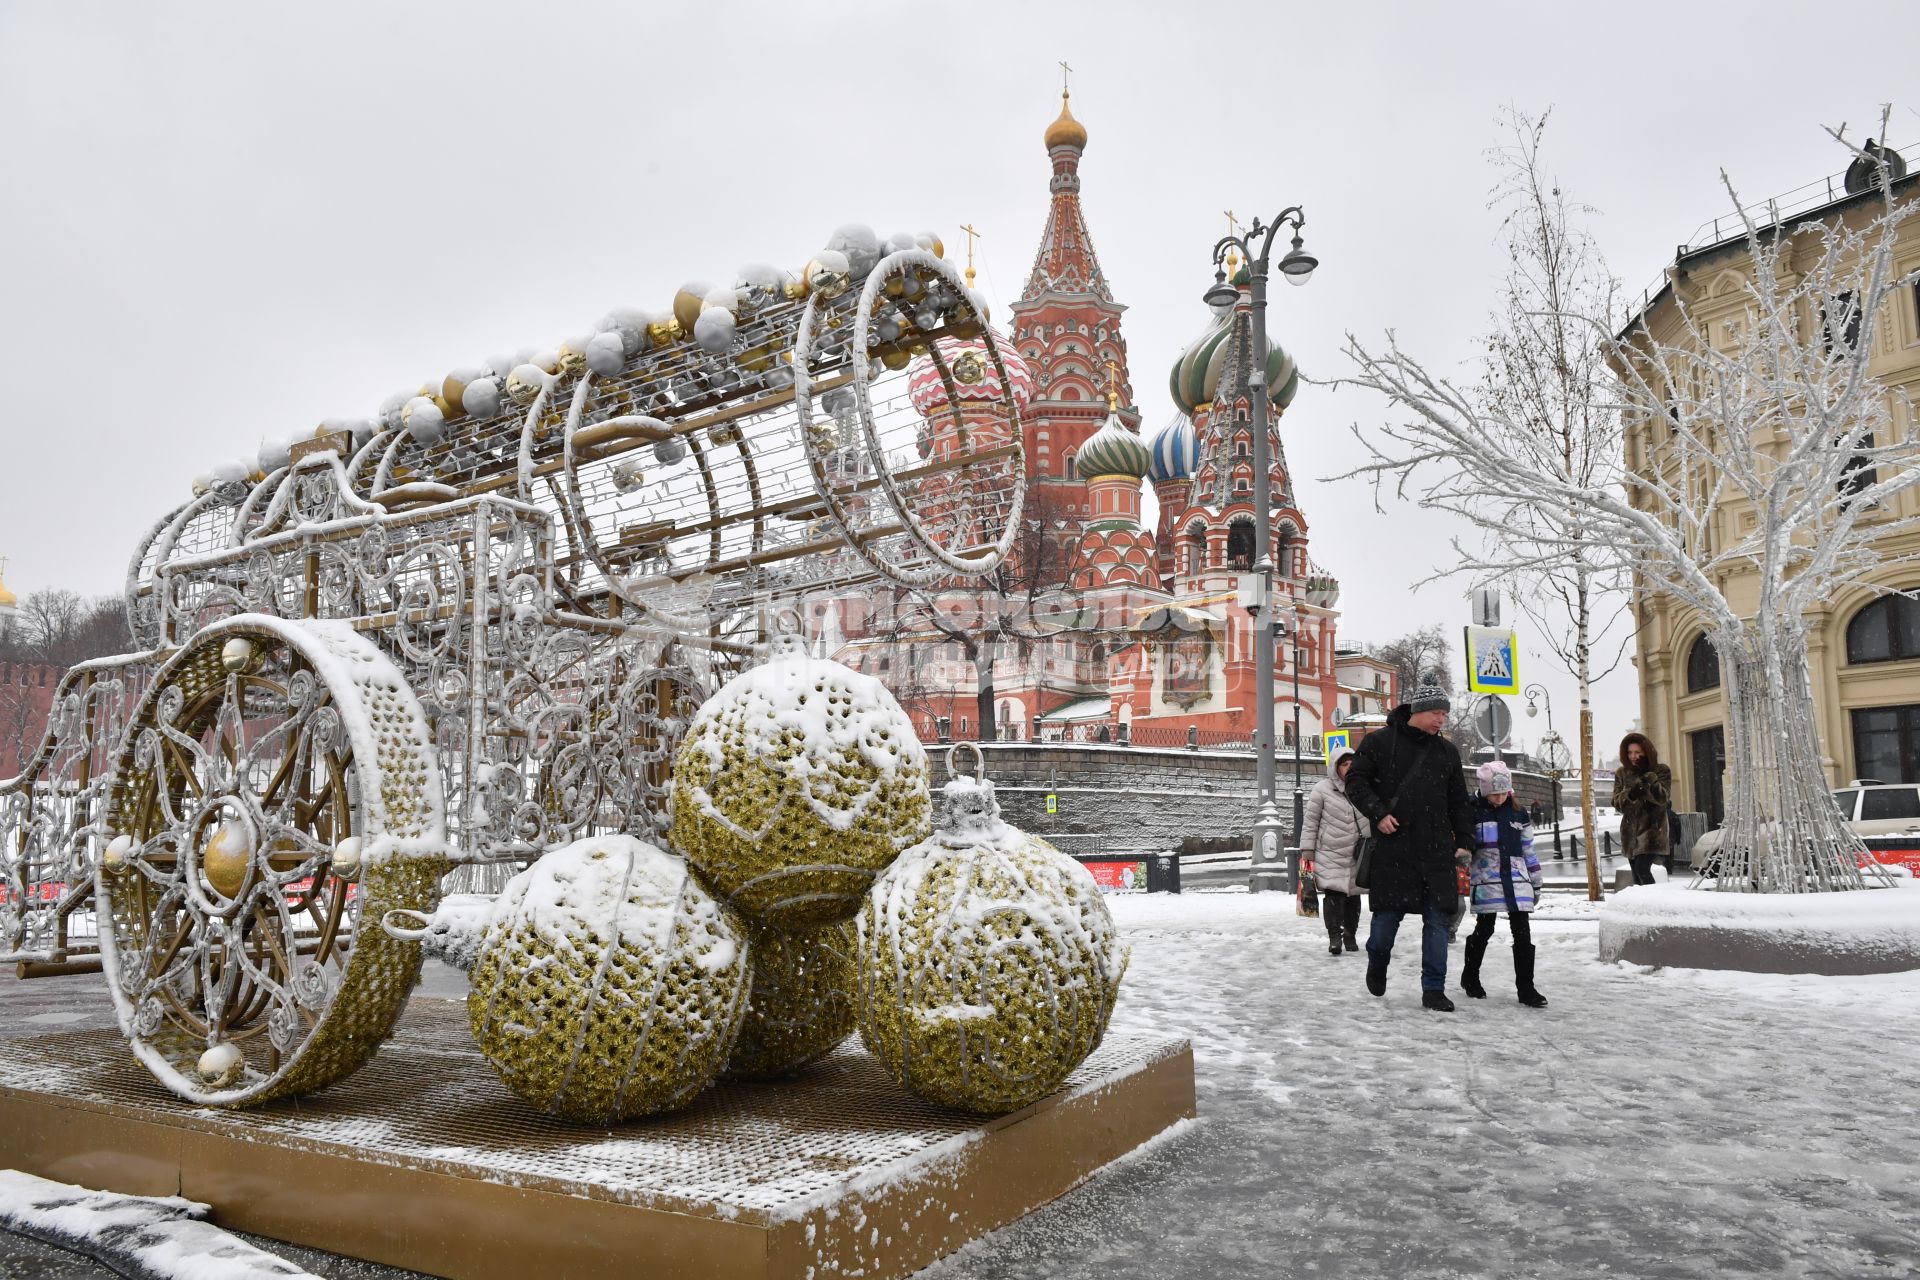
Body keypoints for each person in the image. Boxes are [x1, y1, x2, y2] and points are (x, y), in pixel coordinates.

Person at [1344, 682, 1475, 1012]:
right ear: (1417, 711)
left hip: (1437, 851)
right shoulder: (1379, 743)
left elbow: (1459, 800)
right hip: (1395, 849)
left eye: (1445, 714)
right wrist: (1378, 814)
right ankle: (1378, 960)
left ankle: (1433, 989)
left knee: (1437, 923)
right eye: (1436, 712)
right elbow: (1355, 782)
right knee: (1386, 923)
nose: (1441, 720)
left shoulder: (1447, 752)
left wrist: (1465, 841)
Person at [1460, 761, 1549, 1008]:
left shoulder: (1519, 814)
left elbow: (1528, 850)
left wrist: (1536, 882)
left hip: (1517, 880)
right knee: (1484, 929)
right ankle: (1471, 976)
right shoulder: (1473, 810)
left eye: (1503, 793)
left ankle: (1526, 988)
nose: (1499, 798)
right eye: (1494, 793)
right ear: (1485, 790)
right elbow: (1465, 844)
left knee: (1522, 933)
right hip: (1487, 879)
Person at [1300, 751, 1370, 956]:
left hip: (1358, 852)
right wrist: (1308, 849)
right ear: (1335, 767)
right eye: (1344, 764)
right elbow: (1311, 822)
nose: (1348, 767)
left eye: (1351, 763)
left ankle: (1350, 935)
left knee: (1353, 896)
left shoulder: (1365, 788)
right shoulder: (1321, 790)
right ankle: (1334, 937)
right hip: (1330, 852)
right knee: (1334, 895)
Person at [1615, 732, 1672, 886]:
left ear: (1646, 752)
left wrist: (1647, 777)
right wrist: (1631, 795)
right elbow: (1616, 803)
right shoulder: (1622, 773)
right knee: (1636, 874)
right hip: (1629, 831)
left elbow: (1662, 798)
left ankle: (1654, 903)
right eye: (1629, 752)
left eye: (1637, 752)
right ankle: (1641, 906)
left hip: (1652, 830)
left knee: (1642, 869)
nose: (1633, 756)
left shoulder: (1660, 770)